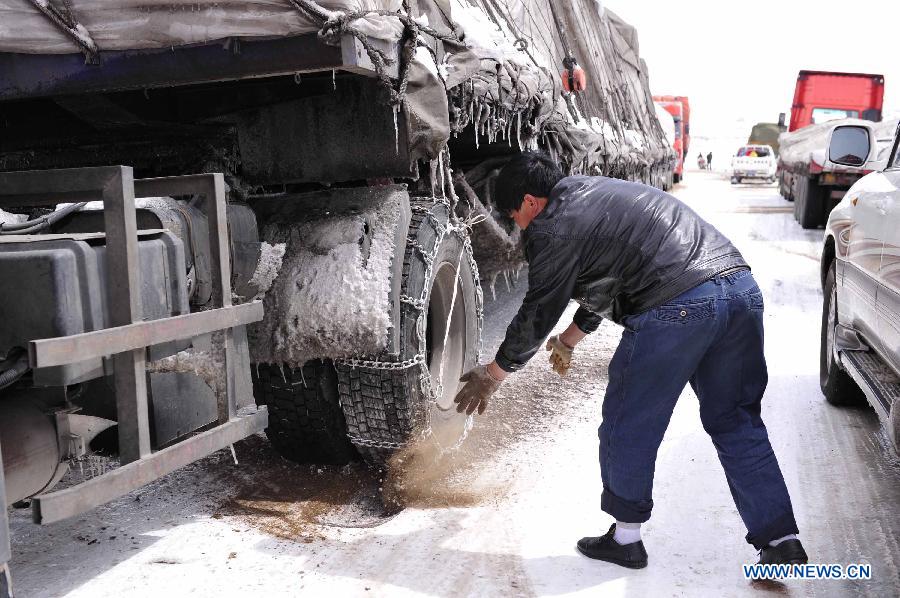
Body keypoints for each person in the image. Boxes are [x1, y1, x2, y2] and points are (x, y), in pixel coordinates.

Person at [453, 152, 806, 570]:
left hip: (678, 305)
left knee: (629, 421)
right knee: (735, 419)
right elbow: (612, 276)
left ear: (530, 201)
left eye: (513, 213)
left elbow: (539, 308)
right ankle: (780, 539)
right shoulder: (593, 194)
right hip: (739, 289)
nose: (516, 224)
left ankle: (625, 539)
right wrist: (569, 340)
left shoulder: (552, 227)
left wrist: (494, 374)